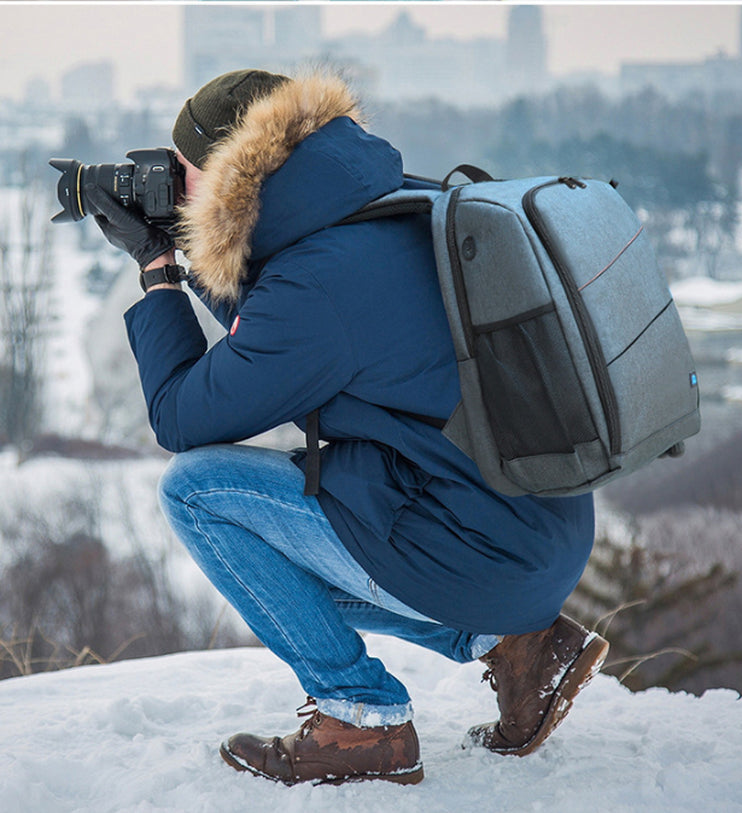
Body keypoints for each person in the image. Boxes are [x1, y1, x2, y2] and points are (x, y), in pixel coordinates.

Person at [84, 69, 608, 787]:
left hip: (482, 544)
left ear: (230, 172)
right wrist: (191, 239)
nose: (174, 186)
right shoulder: (385, 202)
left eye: (182, 173)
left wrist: (156, 269)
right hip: (533, 527)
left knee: (197, 493)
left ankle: (362, 718)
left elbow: (182, 413)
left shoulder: (314, 289)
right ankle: (518, 643)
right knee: (287, 572)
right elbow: (278, 315)